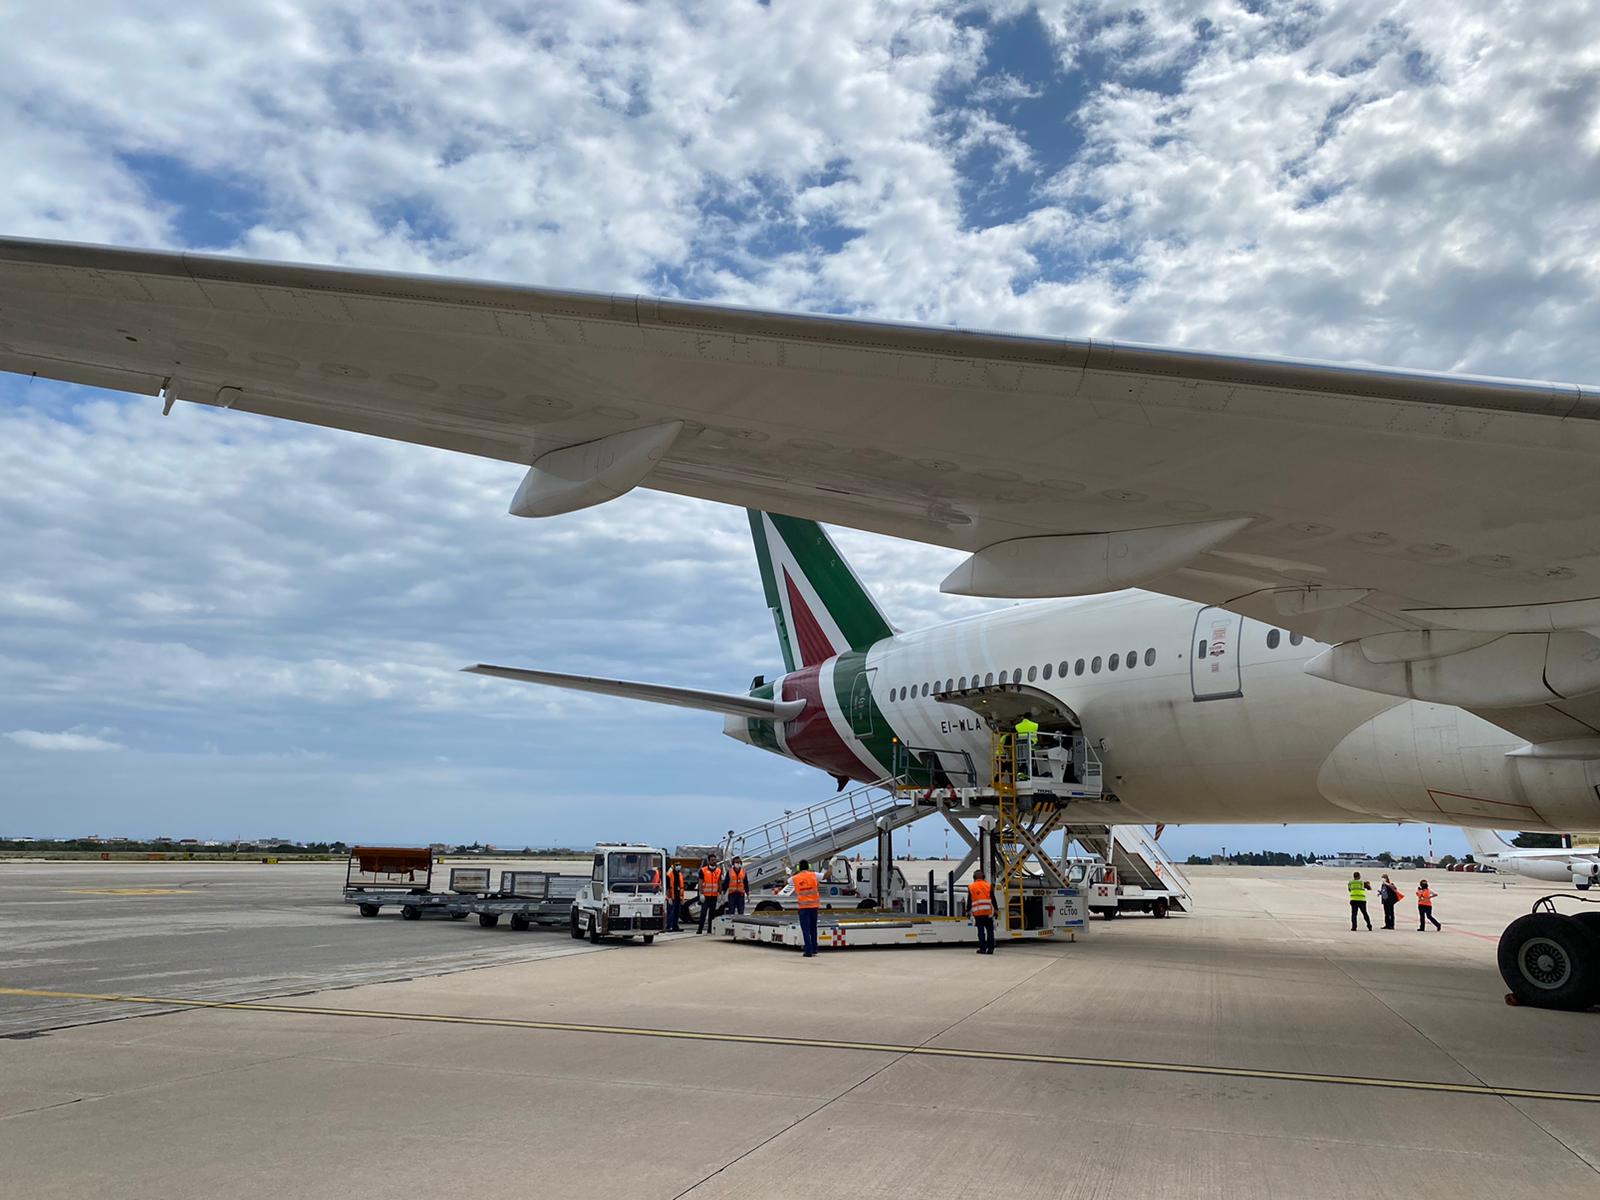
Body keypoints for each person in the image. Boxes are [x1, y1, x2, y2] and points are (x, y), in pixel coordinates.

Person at [792, 859, 821, 957]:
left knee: (806, 930)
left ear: (799, 867)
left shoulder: (795, 877)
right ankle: (814, 949)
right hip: (814, 907)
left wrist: (791, 872)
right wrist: (830, 866)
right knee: (813, 929)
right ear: (808, 867)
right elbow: (826, 876)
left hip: (803, 908)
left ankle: (808, 951)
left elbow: (787, 881)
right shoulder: (814, 875)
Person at [968, 869, 996, 954]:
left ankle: (982, 949)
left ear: (974, 877)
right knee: (990, 931)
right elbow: (993, 899)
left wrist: (967, 911)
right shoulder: (988, 885)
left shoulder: (971, 886)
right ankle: (991, 949)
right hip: (988, 913)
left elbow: (969, 900)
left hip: (978, 913)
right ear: (983, 877)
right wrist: (996, 910)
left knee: (981, 932)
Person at [697, 857, 722, 934]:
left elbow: (719, 882)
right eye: (712, 860)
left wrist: (719, 893)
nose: (714, 861)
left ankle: (710, 929)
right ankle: (700, 929)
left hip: (714, 895)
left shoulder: (718, 871)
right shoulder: (703, 870)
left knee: (712, 914)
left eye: (715, 860)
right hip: (706, 896)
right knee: (703, 913)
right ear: (709, 861)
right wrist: (700, 893)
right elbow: (700, 882)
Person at [664, 862, 684, 932]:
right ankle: (669, 926)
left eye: (679, 865)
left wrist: (682, 898)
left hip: (678, 897)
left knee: (677, 912)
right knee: (671, 912)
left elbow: (681, 887)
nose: (678, 866)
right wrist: (668, 897)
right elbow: (667, 887)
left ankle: (675, 926)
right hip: (672, 897)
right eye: (677, 865)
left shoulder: (680, 874)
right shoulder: (669, 875)